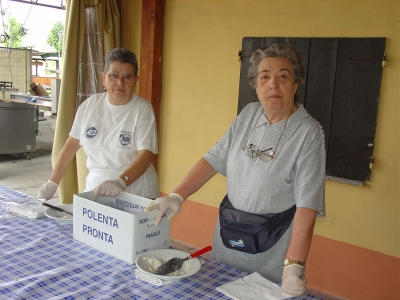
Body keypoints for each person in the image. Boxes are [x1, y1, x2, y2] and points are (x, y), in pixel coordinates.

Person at [145, 44, 325, 296]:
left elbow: (307, 206)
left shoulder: (308, 133)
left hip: (272, 254)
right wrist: (177, 195)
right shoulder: (248, 115)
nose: (273, 84)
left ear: (296, 84)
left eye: (283, 76)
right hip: (227, 242)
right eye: (265, 77)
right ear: (256, 84)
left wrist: (293, 265)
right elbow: (212, 160)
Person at [37, 47, 159, 201]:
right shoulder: (90, 105)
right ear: (103, 78)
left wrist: (121, 181)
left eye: (127, 77)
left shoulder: (142, 109)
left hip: (136, 191)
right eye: (114, 75)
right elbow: (71, 146)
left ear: (135, 81)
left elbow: (146, 156)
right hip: (96, 189)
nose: (120, 82)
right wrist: (52, 182)